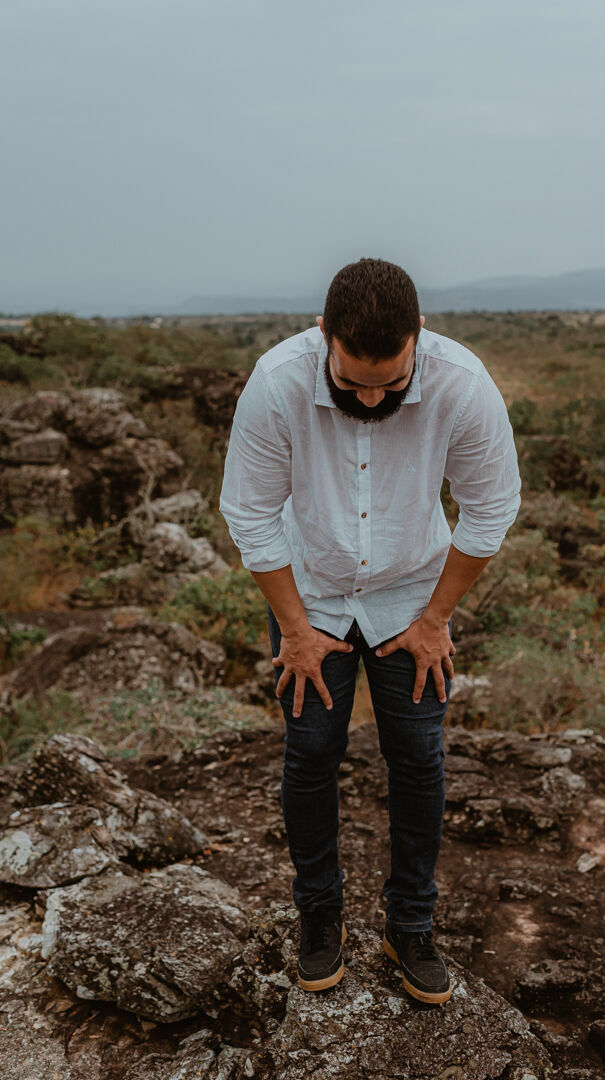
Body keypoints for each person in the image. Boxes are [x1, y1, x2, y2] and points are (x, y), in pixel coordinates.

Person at [219, 257, 521, 1004]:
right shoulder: (276, 381)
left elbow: (490, 509)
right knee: (312, 747)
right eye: (352, 381)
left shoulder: (462, 383)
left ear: (417, 337)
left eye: (390, 380)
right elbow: (250, 515)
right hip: (310, 594)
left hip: (411, 598)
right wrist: (292, 630)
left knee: (417, 753)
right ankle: (319, 917)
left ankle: (409, 925)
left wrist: (436, 619)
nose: (373, 395)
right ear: (324, 337)